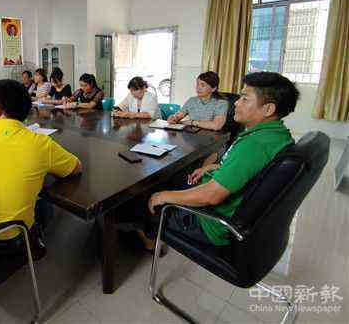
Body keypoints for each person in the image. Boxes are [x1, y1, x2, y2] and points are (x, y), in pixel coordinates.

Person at [121, 72, 300, 249]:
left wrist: (162, 196)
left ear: (268, 109)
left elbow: (212, 195)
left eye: (245, 99)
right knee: (170, 180)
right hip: (219, 199)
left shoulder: (255, 144)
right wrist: (215, 167)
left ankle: (146, 235)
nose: (236, 103)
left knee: (146, 196)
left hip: (208, 222)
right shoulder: (274, 135)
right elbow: (250, 172)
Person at [0, 79, 82, 243]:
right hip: (11, 241)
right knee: (43, 202)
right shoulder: (40, 144)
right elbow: (76, 167)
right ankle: (39, 241)